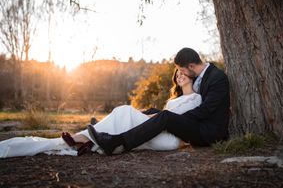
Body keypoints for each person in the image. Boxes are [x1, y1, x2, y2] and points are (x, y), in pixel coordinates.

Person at [0, 68, 201, 158]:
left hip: (170, 140)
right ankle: (90, 137)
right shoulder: (173, 100)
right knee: (126, 114)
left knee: (124, 112)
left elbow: (177, 122)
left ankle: (89, 134)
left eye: (183, 72)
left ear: (192, 75)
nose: (179, 75)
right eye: (177, 73)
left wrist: (147, 117)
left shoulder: (196, 99)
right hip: (159, 133)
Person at [88, 47, 230, 155]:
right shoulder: (202, 75)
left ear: (191, 66)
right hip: (197, 124)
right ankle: (109, 126)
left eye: (182, 70)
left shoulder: (217, 78)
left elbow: (205, 110)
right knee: (153, 111)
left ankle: (117, 142)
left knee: (166, 116)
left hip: (208, 132)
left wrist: (176, 119)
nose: (181, 73)